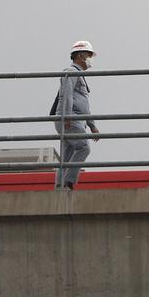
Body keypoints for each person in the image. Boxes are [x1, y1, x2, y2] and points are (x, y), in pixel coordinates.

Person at [54, 40, 100, 189]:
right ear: (80, 55)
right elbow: (67, 95)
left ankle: (61, 186)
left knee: (67, 156)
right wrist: (67, 116)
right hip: (70, 118)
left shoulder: (78, 75)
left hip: (73, 119)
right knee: (83, 147)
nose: (91, 59)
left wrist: (92, 125)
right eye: (89, 55)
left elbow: (84, 106)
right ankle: (69, 181)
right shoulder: (71, 72)